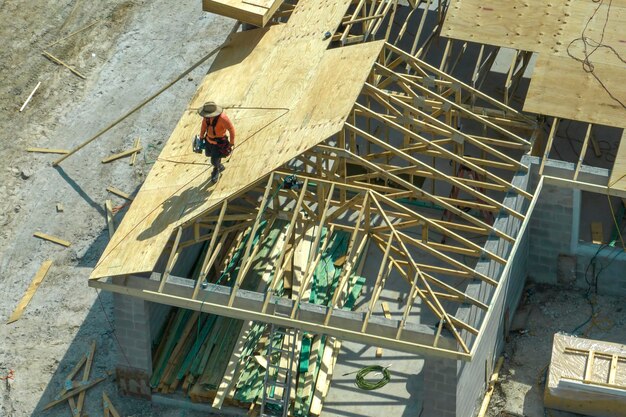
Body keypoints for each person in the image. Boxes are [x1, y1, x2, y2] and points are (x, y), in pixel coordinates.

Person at [198, 101, 236, 182]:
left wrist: (231, 142)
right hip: (208, 140)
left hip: (219, 142)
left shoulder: (223, 118)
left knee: (214, 160)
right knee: (209, 154)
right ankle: (219, 165)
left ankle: (216, 169)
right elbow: (203, 127)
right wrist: (201, 137)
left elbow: (231, 129)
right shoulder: (206, 118)